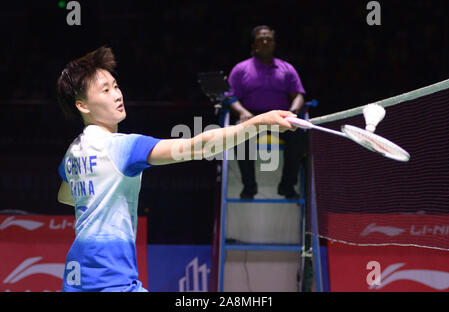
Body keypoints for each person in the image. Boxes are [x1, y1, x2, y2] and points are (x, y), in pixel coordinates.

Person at [56, 46, 297, 292]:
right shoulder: (124, 147)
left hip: (77, 278)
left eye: (115, 86)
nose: (117, 95)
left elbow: (66, 195)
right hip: (111, 279)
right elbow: (197, 147)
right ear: (83, 106)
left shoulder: (73, 152)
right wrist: (260, 122)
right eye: (105, 90)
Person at [228, 25, 307, 199]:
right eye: (261, 39)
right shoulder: (241, 69)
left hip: (279, 116)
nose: (265, 42)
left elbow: (299, 94)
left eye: (269, 39)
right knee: (241, 138)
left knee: (300, 135)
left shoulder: (287, 69)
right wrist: (242, 112)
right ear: (253, 44)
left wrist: (293, 111)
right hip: (251, 116)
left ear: (274, 44)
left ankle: (287, 186)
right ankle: (249, 186)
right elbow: (231, 97)